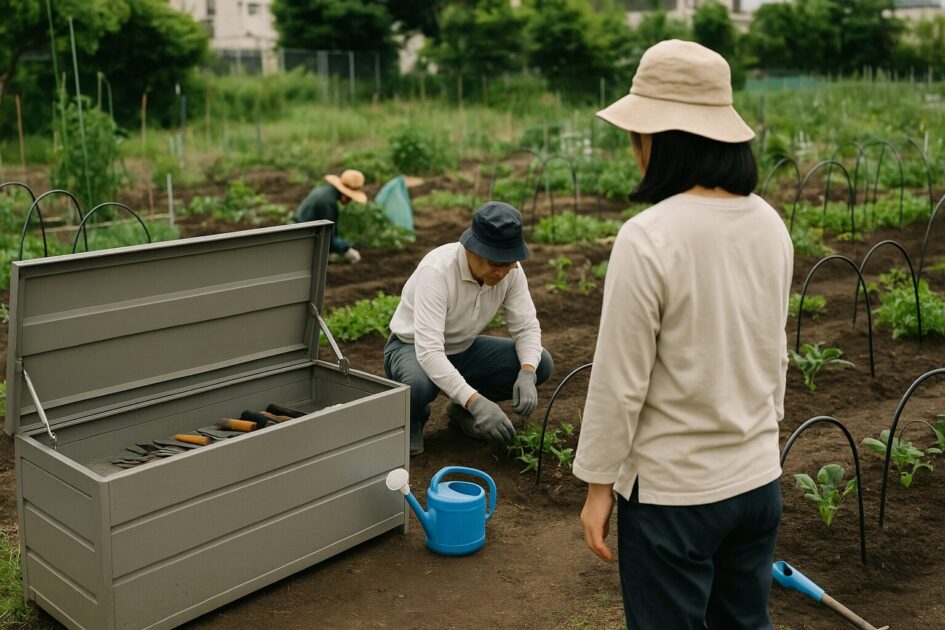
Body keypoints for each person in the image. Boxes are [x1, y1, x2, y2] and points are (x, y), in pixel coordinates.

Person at [573, 40, 792, 629]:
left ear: (659, 140)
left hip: (675, 497)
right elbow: (776, 358)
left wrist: (598, 488)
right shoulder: (769, 223)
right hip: (756, 482)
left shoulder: (649, 236)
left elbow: (620, 383)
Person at [384, 201, 554, 456]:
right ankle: (413, 420)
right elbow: (429, 352)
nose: (501, 272)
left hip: (462, 347)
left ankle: (461, 410)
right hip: (411, 346)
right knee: (417, 385)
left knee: (541, 362)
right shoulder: (437, 271)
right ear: (470, 249)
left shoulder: (510, 272)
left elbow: (526, 326)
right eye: (494, 262)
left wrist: (528, 372)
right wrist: (478, 403)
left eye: (508, 263)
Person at [293, 169, 367, 263]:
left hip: (299, 232)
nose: (350, 200)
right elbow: (328, 238)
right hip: (303, 240)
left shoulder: (324, 192)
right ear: (345, 194)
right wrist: (346, 249)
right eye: (350, 197)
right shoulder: (327, 203)